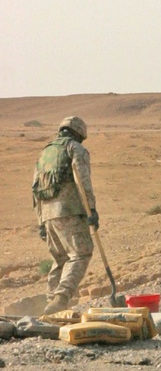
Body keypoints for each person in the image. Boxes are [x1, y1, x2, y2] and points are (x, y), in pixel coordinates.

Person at [32, 115, 99, 314]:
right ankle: (62, 297)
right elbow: (83, 181)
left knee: (60, 258)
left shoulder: (46, 153)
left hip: (47, 214)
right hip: (69, 211)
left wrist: (41, 222)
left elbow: (35, 189)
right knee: (81, 253)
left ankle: (51, 304)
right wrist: (92, 210)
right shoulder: (75, 149)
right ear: (80, 134)